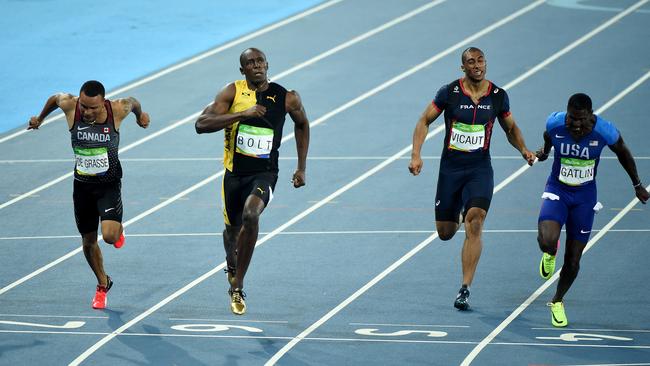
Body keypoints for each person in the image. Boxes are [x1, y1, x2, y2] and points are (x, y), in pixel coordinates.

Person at [408, 47, 535, 310]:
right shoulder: (449, 93)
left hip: (479, 169)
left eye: (480, 60)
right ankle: (457, 212)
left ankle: (465, 288)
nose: (476, 65)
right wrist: (416, 154)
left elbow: (510, 128)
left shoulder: (498, 96)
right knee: (445, 233)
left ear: (485, 64)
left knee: (475, 221)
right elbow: (423, 121)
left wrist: (523, 149)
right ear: (462, 67)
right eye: (470, 62)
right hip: (450, 171)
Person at [195, 48, 310, 315]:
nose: (256, 66)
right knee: (232, 233)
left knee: (251, 214)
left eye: (260, 61)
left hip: (265, 173)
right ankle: (231, 264)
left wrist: (301, 167)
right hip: (234, 175)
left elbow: (302, 124)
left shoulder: (287, 97)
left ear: (267, 65)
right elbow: (201, 124)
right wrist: (241, 115)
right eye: (250, 63)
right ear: (242, 70)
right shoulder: (231, 93)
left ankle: (237, 285)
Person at [28, 80, 150, 309]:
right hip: (82, 186)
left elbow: (133, 102)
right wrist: (40, 118)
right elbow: (55, 98)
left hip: (108, 185)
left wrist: (140, 116)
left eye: (93, 108)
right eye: (84, 106)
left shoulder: (117, 109)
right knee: (88, 242)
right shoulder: (71, 107)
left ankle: (117, 229)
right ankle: (103, 283)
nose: (87, 112)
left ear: (103, 102)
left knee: (111, 237)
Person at [535, 93, 648, 327]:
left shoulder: (605, 131)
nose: (575, 124)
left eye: (581, 119)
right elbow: (549, 136)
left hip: (585, 197)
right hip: (558, 189)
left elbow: (623, 153)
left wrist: (637, 185)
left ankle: (557, 301)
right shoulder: (555, 122)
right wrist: (545, 152)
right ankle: (550, 252)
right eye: (571, 118)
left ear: (590, 115)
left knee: (574, 261)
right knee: (547, 240)